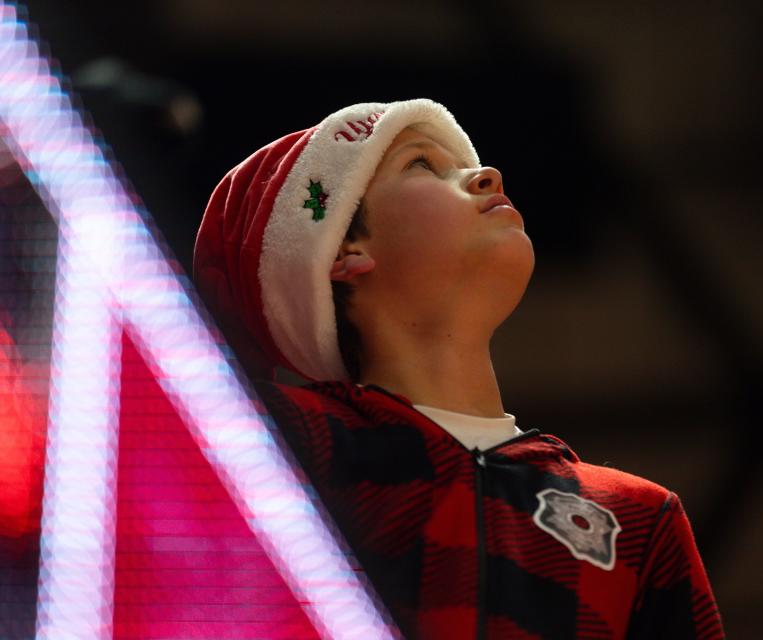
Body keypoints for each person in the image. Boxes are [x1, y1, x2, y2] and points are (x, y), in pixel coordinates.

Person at [194, 98, 724, 639]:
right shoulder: (270, 442)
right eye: (423, 165)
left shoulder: (638, 519)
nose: (487, 175)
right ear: (342, 250)